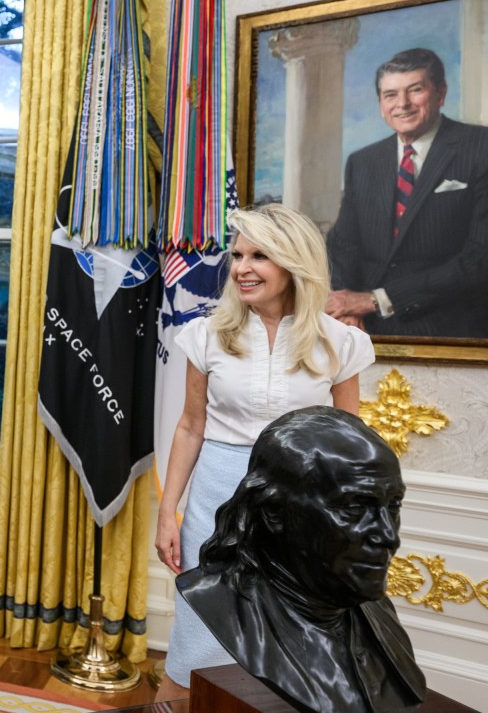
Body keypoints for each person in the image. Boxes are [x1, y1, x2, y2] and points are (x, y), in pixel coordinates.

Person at [154, 204, 375, 700]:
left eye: (259, 256)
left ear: (294, 263)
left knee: (289, 641)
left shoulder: (339, 341)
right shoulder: (206, 334)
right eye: (237, 255)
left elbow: (347, 442)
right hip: (215, 499)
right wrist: (169, 511)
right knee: (199, 639)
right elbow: (190, 426)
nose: (241, 268)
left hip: (301, 508)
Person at [178, 406, 425, 712]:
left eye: (393, 507)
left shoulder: (376, 609)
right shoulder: (218, 600)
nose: (389, 537)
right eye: (353, 508)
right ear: (273, 511)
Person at [326, 47, 488, 338]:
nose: (402, 104)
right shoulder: (362, 162)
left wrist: (376, 299)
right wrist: (345, 307)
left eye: (415, 90)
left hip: (453, 328)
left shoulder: (480, 147)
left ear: (441, 93)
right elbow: (343, 246)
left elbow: (480, 257)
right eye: (390, 95)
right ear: (380, 103)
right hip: (363, 328)